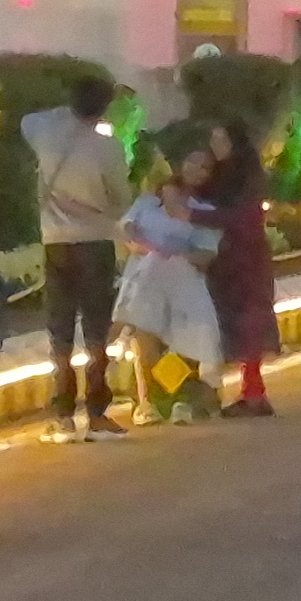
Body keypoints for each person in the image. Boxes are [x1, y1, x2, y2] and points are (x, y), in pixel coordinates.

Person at [22, 74, 134, 443]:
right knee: (97, 329)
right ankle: (97, 414)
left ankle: (63, 416)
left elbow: (26, 121)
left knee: (60, 329)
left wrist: (63, 113)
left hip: (55, 242)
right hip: (95, 242)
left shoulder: (45, 132)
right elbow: (120, 199)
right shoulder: (108, 148)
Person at [115, 136, 225, 424]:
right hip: (144, 281)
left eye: (205, 167)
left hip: (182, 285)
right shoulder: (146, 203)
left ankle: (180, 397)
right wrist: (142, 244)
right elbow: (127, 232)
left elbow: (206, 254)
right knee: (146, 341)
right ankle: (149, 400)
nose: (196, 170)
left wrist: (175, 253)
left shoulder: (205, 212)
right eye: (192, 162)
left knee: (184, 341)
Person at [200, 118, 281, 416]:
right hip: (226, 259)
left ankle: (254, 392)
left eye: (221, 140)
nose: (215, 146)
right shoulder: (221, 174)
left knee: (248, 324)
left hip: (245, 259)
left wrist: (192, 216)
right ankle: (250, 391)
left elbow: (239, 217)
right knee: (236, 324)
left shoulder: (246, 177)